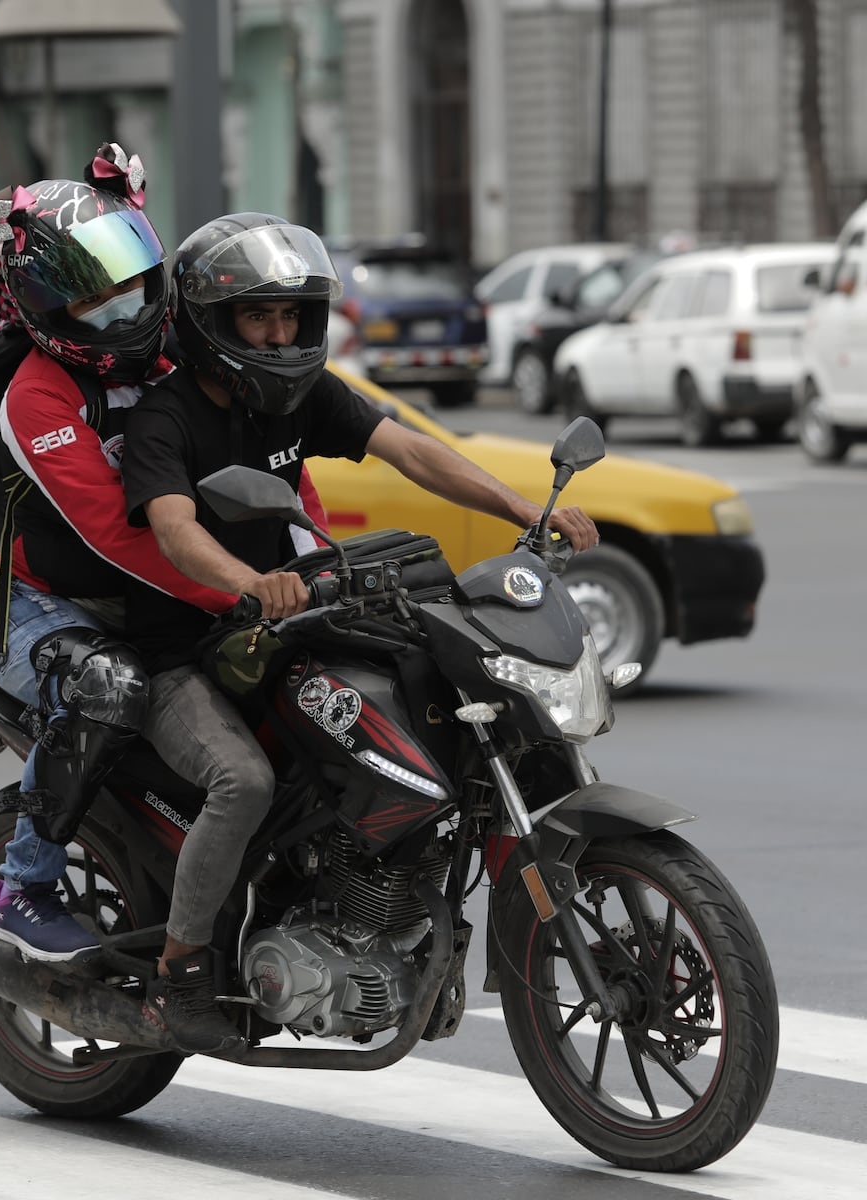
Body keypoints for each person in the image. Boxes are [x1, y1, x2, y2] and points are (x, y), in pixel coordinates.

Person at [121, 212, 601, 1055]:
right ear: (208, 322)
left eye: (290, 318)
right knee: (242, 782)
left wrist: (524, 507)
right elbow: (173, 528)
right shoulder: (167, 420)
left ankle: (367, 903)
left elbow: (409, 450)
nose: (277, 334)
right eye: (256, 318)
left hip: (282, 629)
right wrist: (247, 581)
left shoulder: (304, 396)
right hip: (186, 647)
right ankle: (180, 972)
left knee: (428, 701)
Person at [0, 152, 333, 981]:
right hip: (28, 602)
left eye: (125, 279)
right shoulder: (37, 396)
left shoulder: (170, 357)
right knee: (105, 687)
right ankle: (24, 886)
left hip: (151, 596)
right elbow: (115, 537)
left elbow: (280, 467)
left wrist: (317, 567)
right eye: (87, 296)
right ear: (45, 309)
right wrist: (241, 591)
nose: (117, 305)